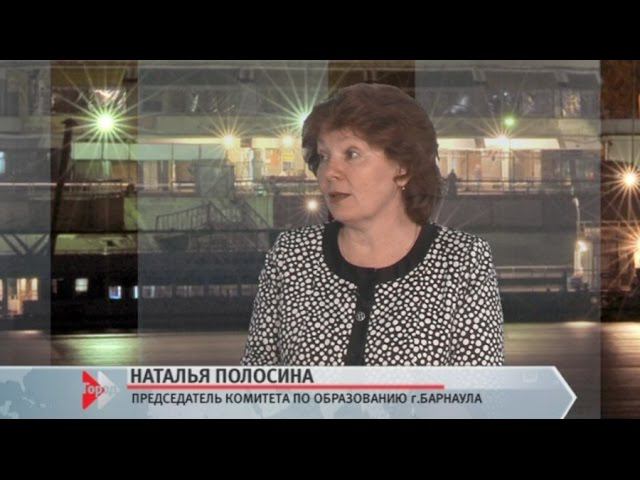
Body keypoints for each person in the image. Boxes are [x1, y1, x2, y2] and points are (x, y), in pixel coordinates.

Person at [241, 83, 504, 366]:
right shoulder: (290, 256)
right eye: (324, 156)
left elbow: (479, 388)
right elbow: (257, 380)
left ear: (403, 167)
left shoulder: (463, 260)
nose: (329, 173)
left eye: (352, 154)